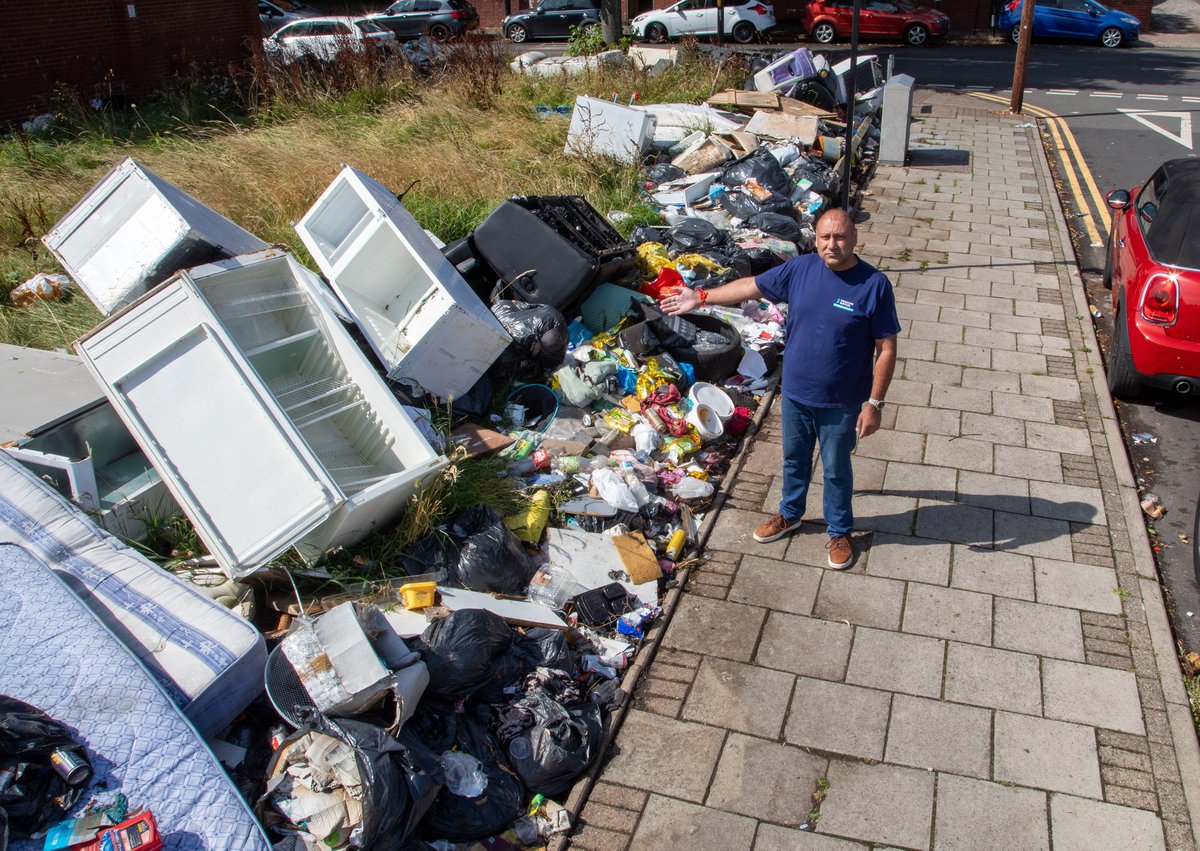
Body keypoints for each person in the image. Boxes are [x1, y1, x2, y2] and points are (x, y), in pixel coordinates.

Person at [661, 208, 900, 569]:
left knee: (836, 468)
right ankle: (790, 513)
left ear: (854, 239)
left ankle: (839, 530)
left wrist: (874, 403)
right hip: (796, 392)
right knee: (793, 459)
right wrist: (702, 297)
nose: (831, 244)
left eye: (839, 237)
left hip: (842, 400)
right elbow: (751, 285)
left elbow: (887, 348)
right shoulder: (801, 269)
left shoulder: (874, 285)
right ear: (816, 238)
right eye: (824, 237)